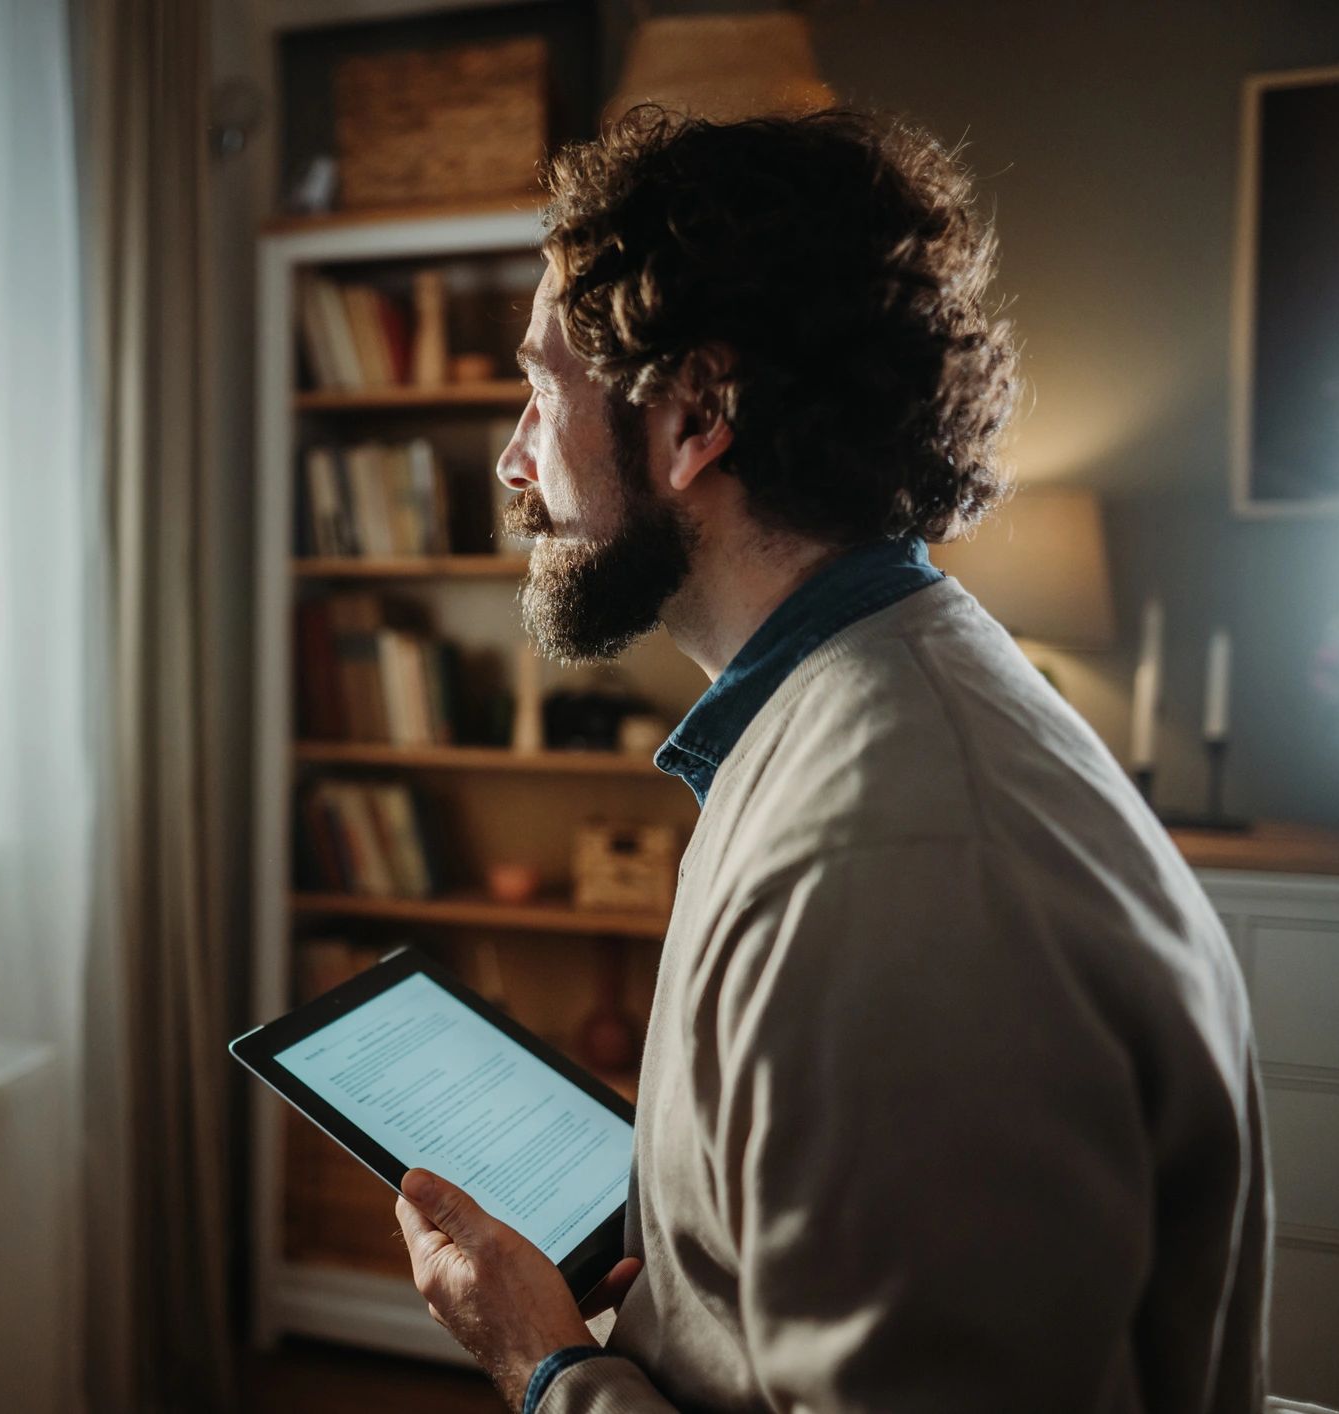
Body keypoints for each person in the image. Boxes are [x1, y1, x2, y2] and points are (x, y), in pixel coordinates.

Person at [391, 105, 1267, 1414]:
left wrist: (545, 1363)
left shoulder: (891, 871)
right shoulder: (865, 709)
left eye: (539, 389)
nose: (513, 462)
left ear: (695, 414)